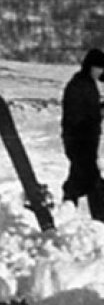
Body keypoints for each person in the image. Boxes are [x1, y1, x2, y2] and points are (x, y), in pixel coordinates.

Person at [60, 47, 104, 221]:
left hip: (85, 140)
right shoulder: (79, 85)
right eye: (100, 68)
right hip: (79, 141)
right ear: (91, 67)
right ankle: (99, 219)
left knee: (79, 179)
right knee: (91, 180)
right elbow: (78, 115)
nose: (102, 72)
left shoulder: (86, 83)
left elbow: (89, 111)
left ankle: (67, 212)